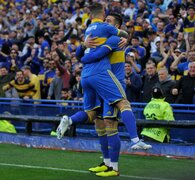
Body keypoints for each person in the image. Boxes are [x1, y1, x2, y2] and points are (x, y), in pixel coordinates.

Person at [56, 5, 151, 177]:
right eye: (105, 19)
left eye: (109, 21)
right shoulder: (107, 37)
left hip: (111, 81)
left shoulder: (115, 39)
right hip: (102, 82)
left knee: (109, 124)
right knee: (97, 122)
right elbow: (83, 52)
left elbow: (89, 56)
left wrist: (84, 52)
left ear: (116, 26)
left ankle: (114, 166)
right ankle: (106, 163)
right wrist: (83, 45)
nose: (104, 23)